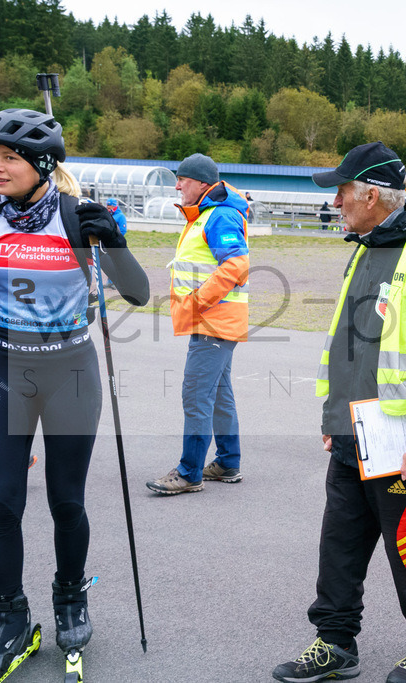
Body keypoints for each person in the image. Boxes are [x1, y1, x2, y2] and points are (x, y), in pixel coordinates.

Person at [272, 142, 406, 683]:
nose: (335, 201)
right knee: (338, 548)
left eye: (342, 190)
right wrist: (332, 420)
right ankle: (335, 643)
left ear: (371, 195)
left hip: (405, 443)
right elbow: (348, 345)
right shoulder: (362, 250)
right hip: (352, 435)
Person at [0, 108, 149, 679]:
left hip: (71, 372)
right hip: (7, 369)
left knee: (67, 501)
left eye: (9, 158)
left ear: (41, 164)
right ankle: (9, 614)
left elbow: (137, 292)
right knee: (1, 501)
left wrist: (112, 242)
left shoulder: (76, 216)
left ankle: (70, 596)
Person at [146, 153, 250, 495]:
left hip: (213, 322)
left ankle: (189, 473)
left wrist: (196, 302)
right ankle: (228, 462)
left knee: (196, 396)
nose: (177, 185)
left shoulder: (218, 215)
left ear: (202, 184)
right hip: (216, 321)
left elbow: (235, 265)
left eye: (183, 180)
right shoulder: (207, 214)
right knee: (219, 395)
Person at [103, 198, 127, 287]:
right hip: (108, 243)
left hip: (116, 243)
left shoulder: (120, 216)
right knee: (109, 262)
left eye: (110, 207)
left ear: (114, 206)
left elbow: (123, 230)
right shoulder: (108, 215)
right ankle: (110, 281)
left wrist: (115, 239)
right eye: (107, 207)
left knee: (117, 262)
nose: (108, 209)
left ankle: (117, 282)